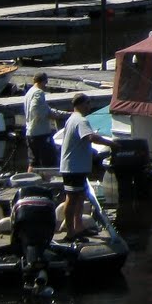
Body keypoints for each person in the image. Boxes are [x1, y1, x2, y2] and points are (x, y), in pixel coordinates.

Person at [56, 94, 110, 242]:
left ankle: (78, 227)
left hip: (77, 166)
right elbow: (90, 137)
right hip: (73, 167)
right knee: (72, 198)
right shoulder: (80, 120)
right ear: (80, 104)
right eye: (87, 103)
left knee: (80, 197)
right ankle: (70, 232)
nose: (89, 107)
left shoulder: (72, 119)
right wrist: (112, 144)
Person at [22, 72, 58, 169]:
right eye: (46, 82)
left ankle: (29, 181)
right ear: (43, 81)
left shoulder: (29, 92)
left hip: (30, 132)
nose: (46, 85)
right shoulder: (39, 92)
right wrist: (49, 115)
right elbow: (35, 108)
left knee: (33, 162)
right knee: (49, 160)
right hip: (40, 133)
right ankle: (47, 181)